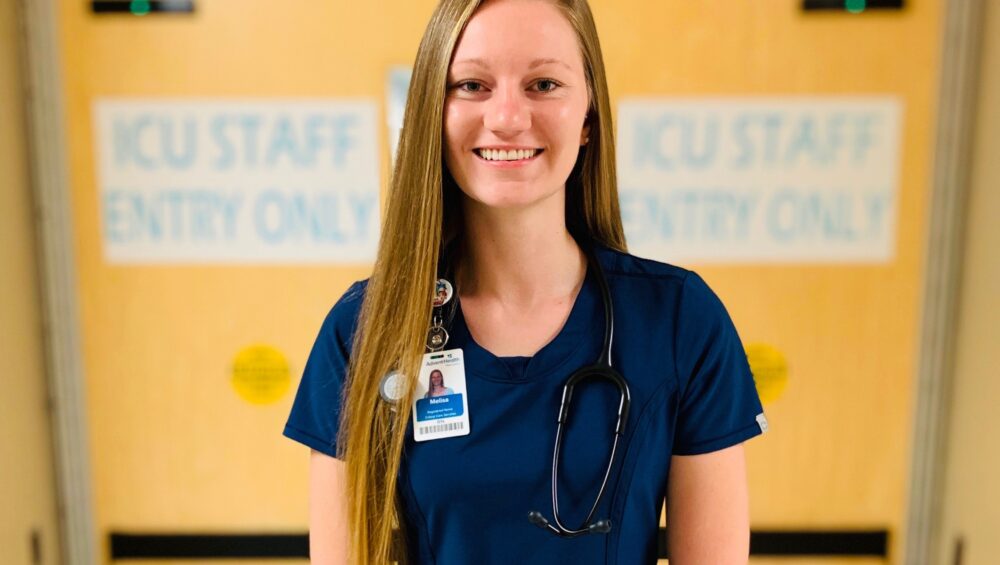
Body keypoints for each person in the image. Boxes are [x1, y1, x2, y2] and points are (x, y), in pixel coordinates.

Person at [282, 0, 767, 563]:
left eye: (542, 83)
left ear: (588, 117)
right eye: (471, 85)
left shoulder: (681, 322)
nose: (508, 117)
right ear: (431, 113)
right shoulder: (364, 329)